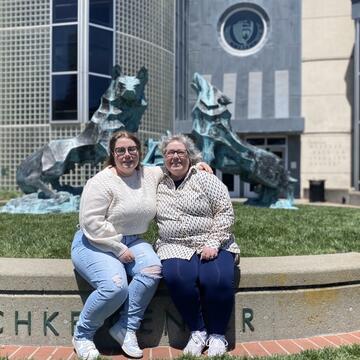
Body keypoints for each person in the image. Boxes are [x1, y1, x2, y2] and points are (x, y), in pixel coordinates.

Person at [71, 131, 211, 360]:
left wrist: (197, 164)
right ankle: (83, 334)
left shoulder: (149, 174)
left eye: (132, 149)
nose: (127, 155)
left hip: (133, 239)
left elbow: (174, 164)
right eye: (120, 150)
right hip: (94, 242)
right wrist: (118, 249)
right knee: (115, 288)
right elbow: (91, 224)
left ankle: (126, 327)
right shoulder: (100, 182)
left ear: (139, 152)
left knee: (153, 269)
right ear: (113, 154)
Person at [155, 134, 240, 357]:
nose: (175, 157)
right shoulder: (156, 180)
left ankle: (217, 336)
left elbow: (225, 211)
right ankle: (198, 331)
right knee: (177, 277)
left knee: (217, 279)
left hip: (213, 240)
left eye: (180, 152)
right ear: (163, 157)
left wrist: (213, 242)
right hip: (174, 244)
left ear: (189, 156)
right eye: (170, 153)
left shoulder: (205, 178)